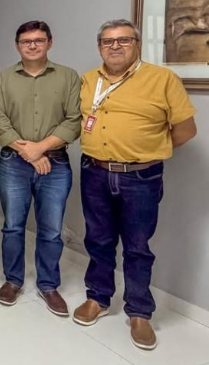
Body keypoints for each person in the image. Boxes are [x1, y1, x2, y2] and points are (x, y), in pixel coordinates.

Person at [73, 19, 197, 350]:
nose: (114, 46)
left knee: (138, 248)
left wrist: (147, 151)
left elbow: (185, 130)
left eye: (123, 40)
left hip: (140, 177)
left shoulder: (162, 79)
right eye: (107, 41)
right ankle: (97, 298)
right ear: (99, 46)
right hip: (95, 172)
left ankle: (140, 312)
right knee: (97, 240)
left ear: (136, 44)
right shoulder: (88, 80)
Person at [0, 21, 81, 316]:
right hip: (13, 163)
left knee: (51, 230)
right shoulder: (3, 79)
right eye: (26, 41)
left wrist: (39, 148)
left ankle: (48, 285)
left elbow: (74, 120)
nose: (32, 45)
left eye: (39, 40)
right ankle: (13, 280)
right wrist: (28, 152)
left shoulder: (68, 77)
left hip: (54, 164)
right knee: (13, 226)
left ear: (50, 43)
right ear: (18, 45)